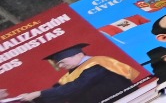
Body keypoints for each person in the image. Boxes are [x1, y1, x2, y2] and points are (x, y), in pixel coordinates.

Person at [5, 43, 145, 103]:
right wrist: (31, 97)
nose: (60, 65)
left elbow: (74, 88)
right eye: (58, 64)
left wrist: (38, 94)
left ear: (78, 54)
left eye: (62, 61)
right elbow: (60, 90)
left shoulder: (97, 65)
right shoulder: (73, 73)